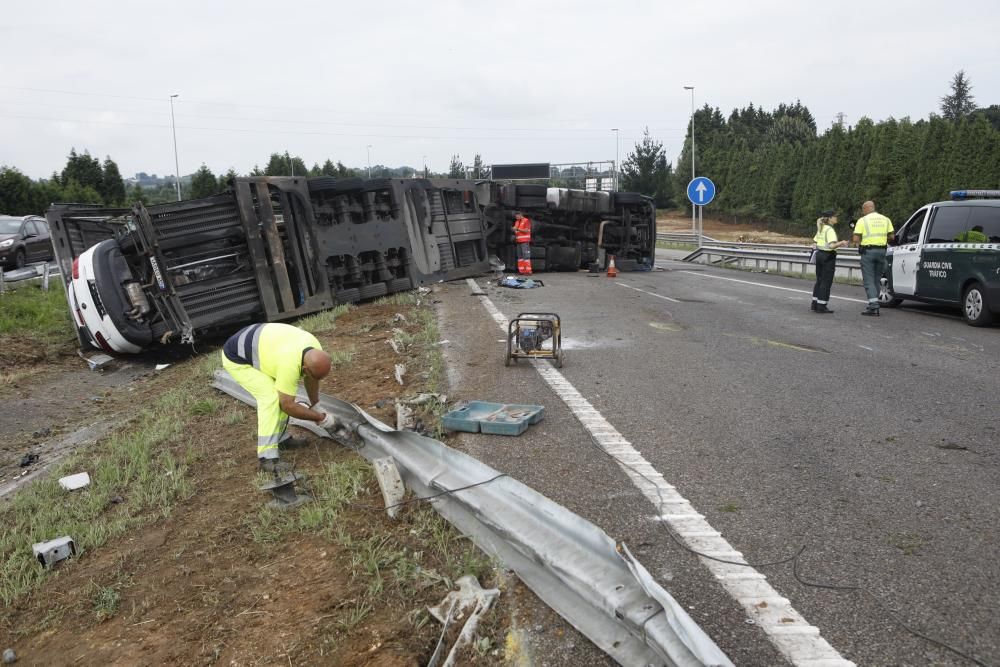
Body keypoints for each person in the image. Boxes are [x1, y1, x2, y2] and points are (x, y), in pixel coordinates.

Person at [221, 322, 337, 472]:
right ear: (304, 368)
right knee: (271, 399)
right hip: (237, 357)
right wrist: (320, 418)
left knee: (282, 392)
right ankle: (267, 457)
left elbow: (311, 378)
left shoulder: (315, 349)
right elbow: (287, 405)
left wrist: (316, 405)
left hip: (265, 346)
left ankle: (281, 439)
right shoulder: (289, 364)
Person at [851, 200, 894, 316]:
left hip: (868, 252)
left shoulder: (862, 220)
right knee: (876, 279)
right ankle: (873, 304)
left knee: (868, 279)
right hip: (882, 252)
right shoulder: (886, 219)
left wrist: (860, 241)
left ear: (865, 209)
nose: (862, 212)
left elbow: (855, 239)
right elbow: (892, 236)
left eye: (863, 210)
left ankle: (874, 306)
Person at [810, 210, 849, 313]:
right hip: (828, 257)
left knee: (819, 280)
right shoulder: (830, 230)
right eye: (835, 216)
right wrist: (841, 243)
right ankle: (821, 305)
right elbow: (831, 245)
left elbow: (814, 243)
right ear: (830, 218)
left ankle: (814, 304)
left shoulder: (821, 228)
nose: (836, 218)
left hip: (819, 255)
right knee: (826, 282)